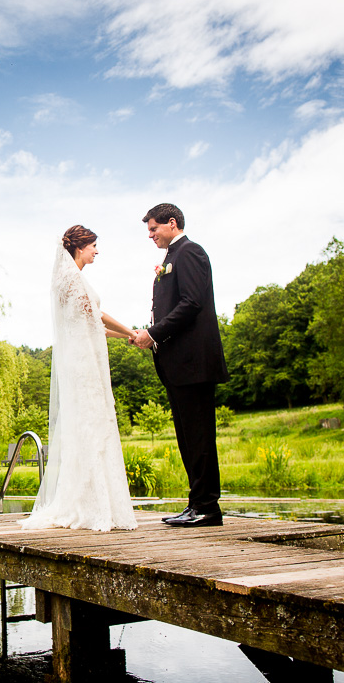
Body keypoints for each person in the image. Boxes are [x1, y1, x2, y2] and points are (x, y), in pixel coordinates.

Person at [21, 225, 138, 532]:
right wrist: (131, 331)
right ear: (80, 247)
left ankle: (93, 501)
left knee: (87, 423)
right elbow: (96, 317)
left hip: (79, 357)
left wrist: (123, 337)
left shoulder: (67, 278)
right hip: (83, 362)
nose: (97, 251)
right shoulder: (72, 278)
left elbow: (89, 324)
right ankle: (92, 506)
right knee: (92, 422)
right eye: (94, 246)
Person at [131, 204, 228, 527]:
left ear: (172, 223)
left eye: (153, 228)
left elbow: (192, 303)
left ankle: (207, 508)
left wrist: (154, 333)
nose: (150, 235)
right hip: (178, 365)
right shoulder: (172, 257)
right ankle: (196, 504)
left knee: (199, 438)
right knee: (188, 439)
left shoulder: (190, 253)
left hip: (194, 364)